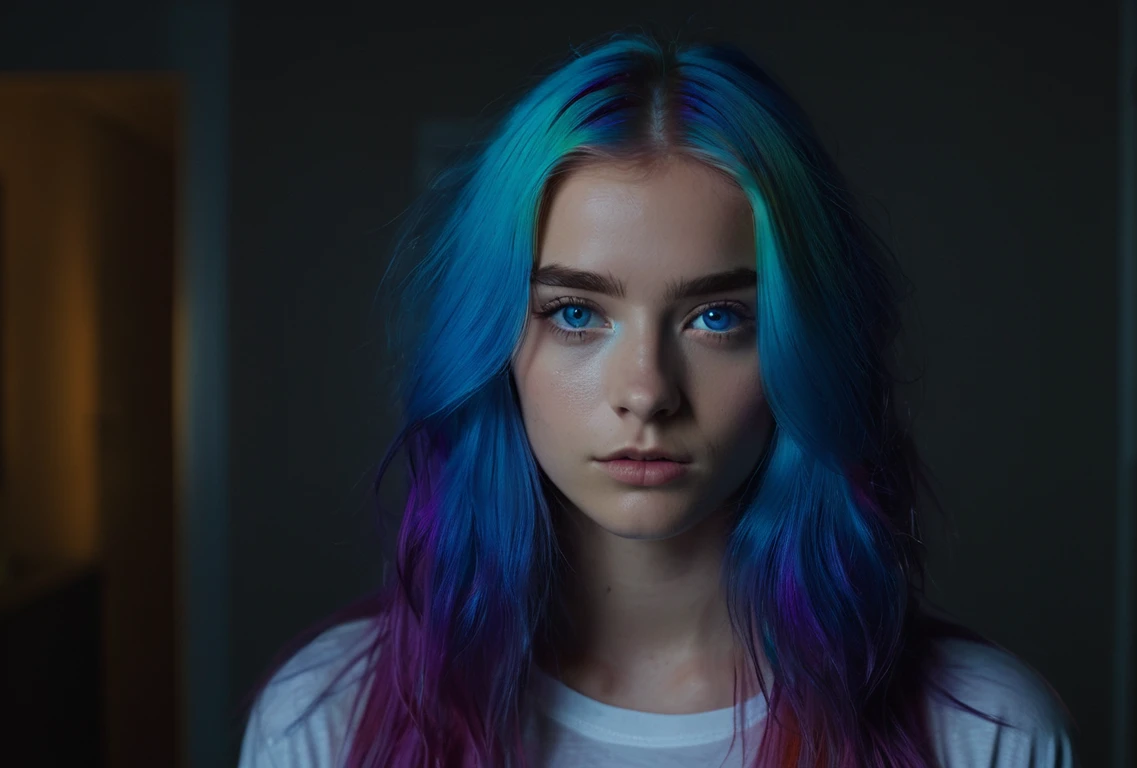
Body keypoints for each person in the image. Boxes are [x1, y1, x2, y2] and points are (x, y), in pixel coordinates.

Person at [237, 29, 1079, 768]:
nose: (645, 391)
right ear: (491, 342)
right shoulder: (328, 721)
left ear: (802, 346)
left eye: (717, 316)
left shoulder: (985, 731)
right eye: (575, 314)